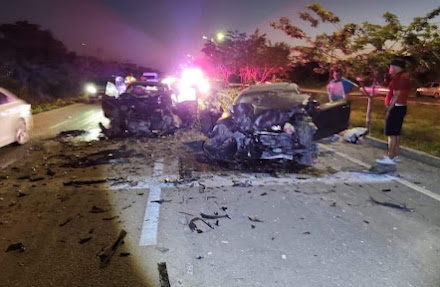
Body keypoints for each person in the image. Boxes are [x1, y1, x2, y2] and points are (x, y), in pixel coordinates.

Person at [376, 59, 410, 165]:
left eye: (390, 67)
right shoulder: (405, 77)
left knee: (391, 133)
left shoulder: (398, 78)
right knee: (396, 133)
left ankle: (390, 157)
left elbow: (396, 95)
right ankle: (395, 155)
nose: (389, 69)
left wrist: (388, 110)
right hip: (401, 107)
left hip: (395, 107)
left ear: (395, 67)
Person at [326, 69, 356, 141]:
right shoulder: (332, 82)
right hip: (333, 102)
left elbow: (354, 86)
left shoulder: (344, 82)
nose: (337, 76)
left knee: (341, 118)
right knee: (333, 117)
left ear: (341, 75)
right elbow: (329, 89)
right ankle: (334, 132)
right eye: (335, 75)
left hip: (341, 102)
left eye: (338, 75)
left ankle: (342, 132)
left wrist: (347, 92)